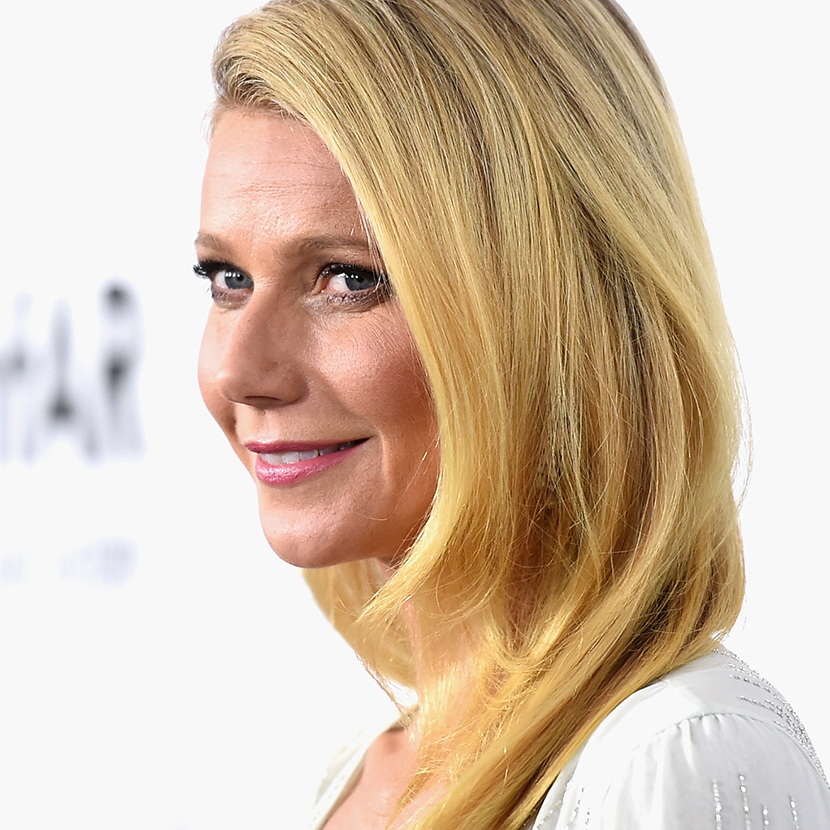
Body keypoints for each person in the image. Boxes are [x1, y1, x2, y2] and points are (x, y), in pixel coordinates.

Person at [195, 0, 830, 827]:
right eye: (227, 279)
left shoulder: (678, 756)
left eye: (348, 278)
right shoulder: (355, 771)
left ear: (546, 306)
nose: (240, 371)